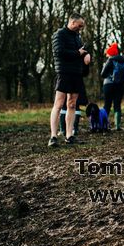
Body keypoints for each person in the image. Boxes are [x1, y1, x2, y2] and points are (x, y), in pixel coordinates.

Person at [48, 13, 90, 147]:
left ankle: (69, 135)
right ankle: (53, 136)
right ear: (72, 23)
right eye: (79, 26)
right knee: (59, 104)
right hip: (64, 73)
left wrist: (86, 55)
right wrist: (78, 53)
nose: (81, 29)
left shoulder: (77, 37)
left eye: (82, 27)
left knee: (72, 104)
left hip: (76, 73)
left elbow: (81, 51)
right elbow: (59, 52)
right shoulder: (59, 34)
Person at [101, 43, 124, 130]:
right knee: (117, 105)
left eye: (107, 53)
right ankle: (117, 126)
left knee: (107, 105)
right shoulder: (123, 61)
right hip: (120, 85)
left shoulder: (110, 60)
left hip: (108, 85)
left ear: (111, 53)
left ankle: (104, 126)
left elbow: (103, 74)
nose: (106, 54)